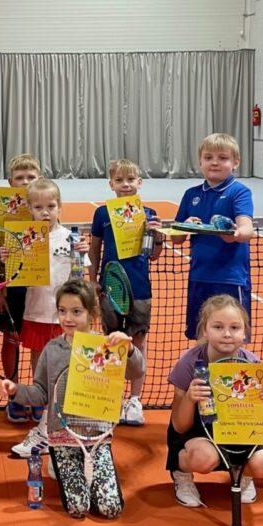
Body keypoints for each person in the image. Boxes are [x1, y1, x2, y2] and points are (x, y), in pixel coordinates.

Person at [4, 279, 143, 519]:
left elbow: (137, 371)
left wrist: (128, 350)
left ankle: (83, 469)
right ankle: (59, 461)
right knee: (78, 508)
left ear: (91, 313)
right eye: (62, 311)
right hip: (63, 437)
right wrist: (16, 391)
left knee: (110, 509)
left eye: (76, 312)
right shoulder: (51, 350)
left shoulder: (107, 346)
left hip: (97, 437)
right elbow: (41, 393)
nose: (68, 318)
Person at [166, 295, 263, 508]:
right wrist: (190, 398)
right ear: (205, 330)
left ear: (245, 332)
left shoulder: (252, 365)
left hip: (241, 431)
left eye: (235, 327)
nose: (227, 334)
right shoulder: (190, 363)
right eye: (218, 327)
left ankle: (243, 475)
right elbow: (179, 426)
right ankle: (182, 474)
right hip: (199, 431)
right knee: (204, 458)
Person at [10, 178, 89, 459]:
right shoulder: (22, 238)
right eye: (38, 207)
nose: (45, 212)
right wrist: (10, 256)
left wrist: (82, 254)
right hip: (35, 312)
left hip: (63, 319)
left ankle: (53, 426)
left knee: (64, 371)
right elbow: (14, 276)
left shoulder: (72, 238)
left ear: (60, 207)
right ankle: (47, 423)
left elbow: (81, 278)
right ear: (29, 209)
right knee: (41, 370)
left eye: (51, 206)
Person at [87, 158, 162, 426]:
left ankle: (135, 400)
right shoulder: (102, 214)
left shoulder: (149, 214)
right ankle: (114, 397)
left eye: (130, 179)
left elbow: (154, 255)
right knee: (111, 341)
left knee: (137, 342)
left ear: (139, 182)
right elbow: (94, 249)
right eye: (119, 180)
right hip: (110, 287)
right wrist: (93, 280)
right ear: (111, 184)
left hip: (140, 288)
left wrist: (158, 236)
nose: (126, 184)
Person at [169, 133, 255, 340]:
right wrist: (185, 226)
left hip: (230, 278)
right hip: (199, 277)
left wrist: (234, 233)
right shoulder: (191, 194)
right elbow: (176, 238)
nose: (215, 162)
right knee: (201, 336)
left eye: (223, 158)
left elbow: (247, 229)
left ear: (235, 162)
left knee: (231, 337)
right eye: (208, 158)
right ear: (200, 161)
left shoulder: (239, 192)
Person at [0, 153, 41, 423]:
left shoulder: (45, 207)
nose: (25, 182)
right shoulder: (3, 211)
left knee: (39, 344)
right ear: (10, 182)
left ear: (40, 179)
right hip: (12, 287)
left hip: (40, 288)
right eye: (19, 178)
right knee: (11, 340)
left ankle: (37, 395)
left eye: (31, 177)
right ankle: (13, 394)